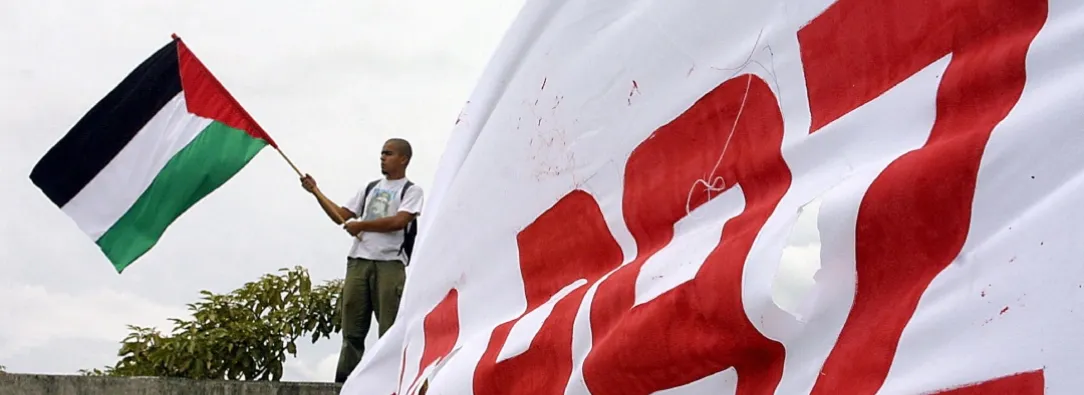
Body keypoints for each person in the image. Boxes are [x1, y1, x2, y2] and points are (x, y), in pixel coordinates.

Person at [299, 138, 424, 383]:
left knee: (389, 328)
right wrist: (316, 191)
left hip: (389, 264)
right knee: (352, 328)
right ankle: (345, 381)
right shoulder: (369, 188)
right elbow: (341, 216)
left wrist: (362, 225)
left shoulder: (411, 191)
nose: (382, 158)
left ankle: (388, 381)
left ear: (403, 159)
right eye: (381, 153)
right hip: (359, 261)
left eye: (388, 154)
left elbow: (399, 221)